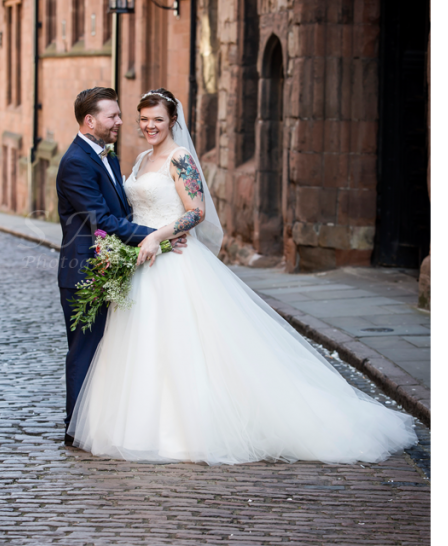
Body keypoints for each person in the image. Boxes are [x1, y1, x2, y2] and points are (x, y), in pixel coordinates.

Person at [67, 88, 419, 465]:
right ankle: (137, 427)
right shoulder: (137, 161)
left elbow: (196, 212)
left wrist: (157, 237)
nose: (149, 126)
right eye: (144, 119)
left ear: (173, 121)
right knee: (142, 347)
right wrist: (135, 245)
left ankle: (191, 428)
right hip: (142, 263)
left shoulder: (180, 158)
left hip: (174, 261)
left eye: (157, 119)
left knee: (186, 346)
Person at [55, 87, 187, 448]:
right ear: (90, 120)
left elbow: (122, 212)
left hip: (117, 266)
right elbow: (102, 221)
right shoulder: (76, 162)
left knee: (113, 350)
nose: (121, 121)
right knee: (86, 350)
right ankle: (75, 429)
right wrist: (158, 236)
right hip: (85, 272)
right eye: (113, 116)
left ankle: (102, 423)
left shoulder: (106, 156)